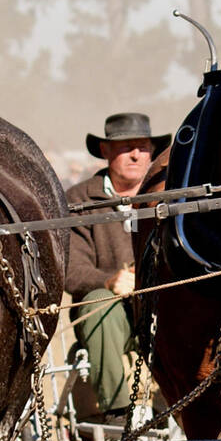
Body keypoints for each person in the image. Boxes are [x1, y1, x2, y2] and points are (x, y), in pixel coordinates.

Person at [63, 113, 170, 416]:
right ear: (106, 151)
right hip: (110, 316)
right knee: (99, 303)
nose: (136, 155)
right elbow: (70, 268)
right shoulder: (79, 200)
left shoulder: (171, 193)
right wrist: (110, 281)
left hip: (160, 307)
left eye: (143, 147)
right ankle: (117, 413)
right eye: (126, 147)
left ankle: (184, 404)